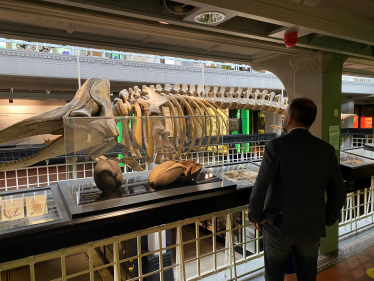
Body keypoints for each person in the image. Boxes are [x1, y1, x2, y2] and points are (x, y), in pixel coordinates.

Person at [248, 98, 346, 281]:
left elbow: (260, 186)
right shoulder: (326, 150)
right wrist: (327, 218)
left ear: (289, 118)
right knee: (308, 275)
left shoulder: (275, 146)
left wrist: (254, 215)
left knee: (273, 275)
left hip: (279, 223)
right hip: (311, 225)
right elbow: (339, 191)